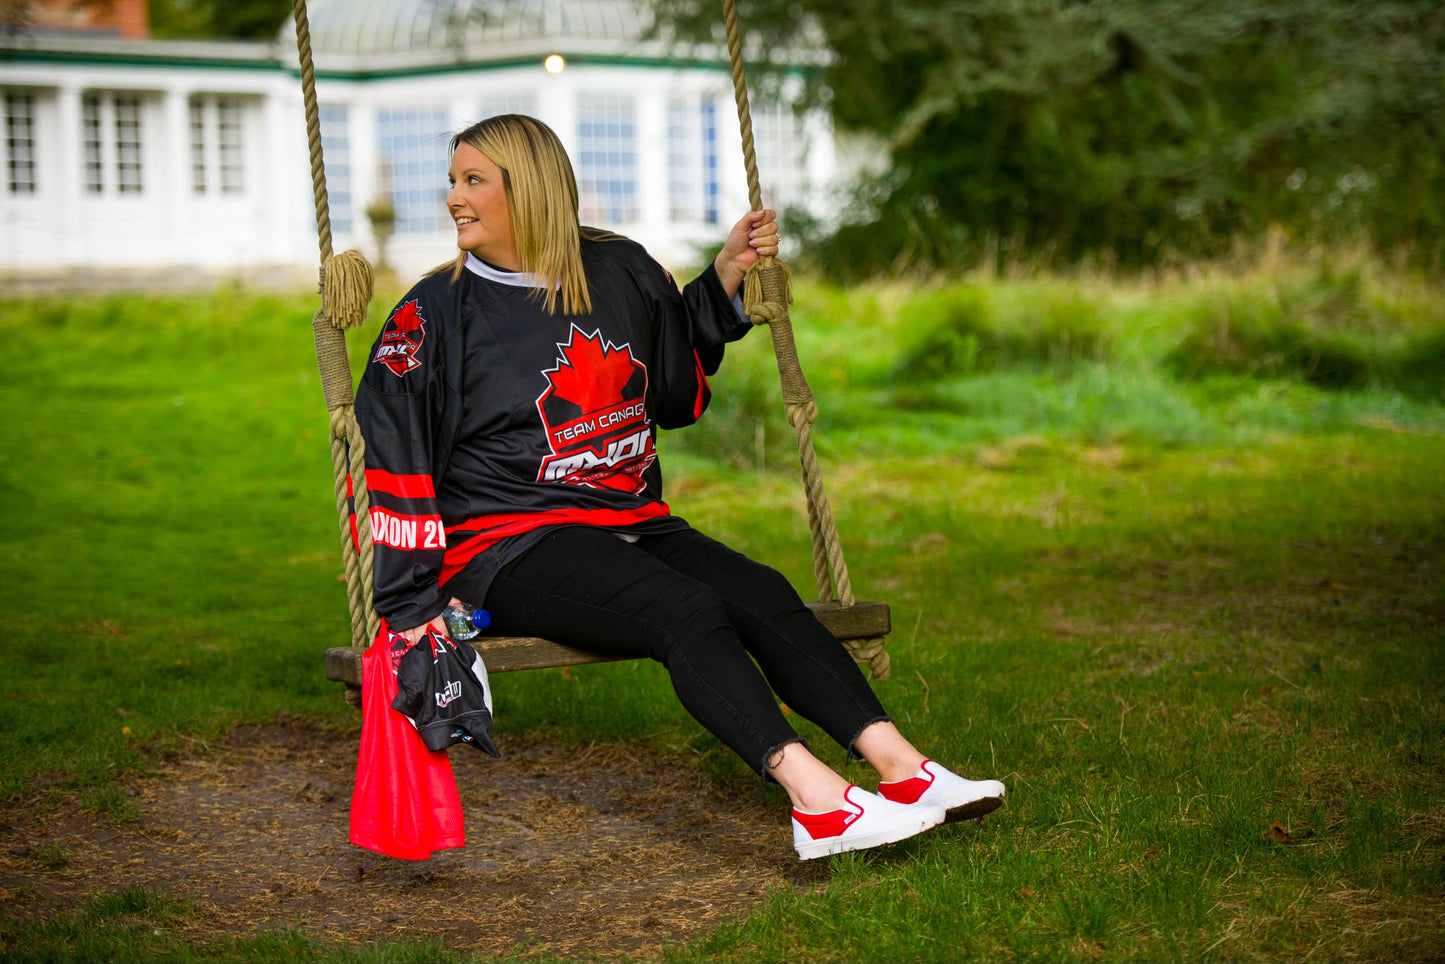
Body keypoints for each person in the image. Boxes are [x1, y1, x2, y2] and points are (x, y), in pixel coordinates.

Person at [355, 113, 1005, 860]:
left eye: (474, 181)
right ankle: (816, 800)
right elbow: (396, 463)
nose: (454, 200)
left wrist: (723, 280)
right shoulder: (433, 314)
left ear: (529, 188)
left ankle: (904, 770)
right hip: (508, 543)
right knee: (681, 609)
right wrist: (408, 605)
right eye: (453, 182)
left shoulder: (619, 268)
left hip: (628, 517)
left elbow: (668, 387)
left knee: (758, 591)